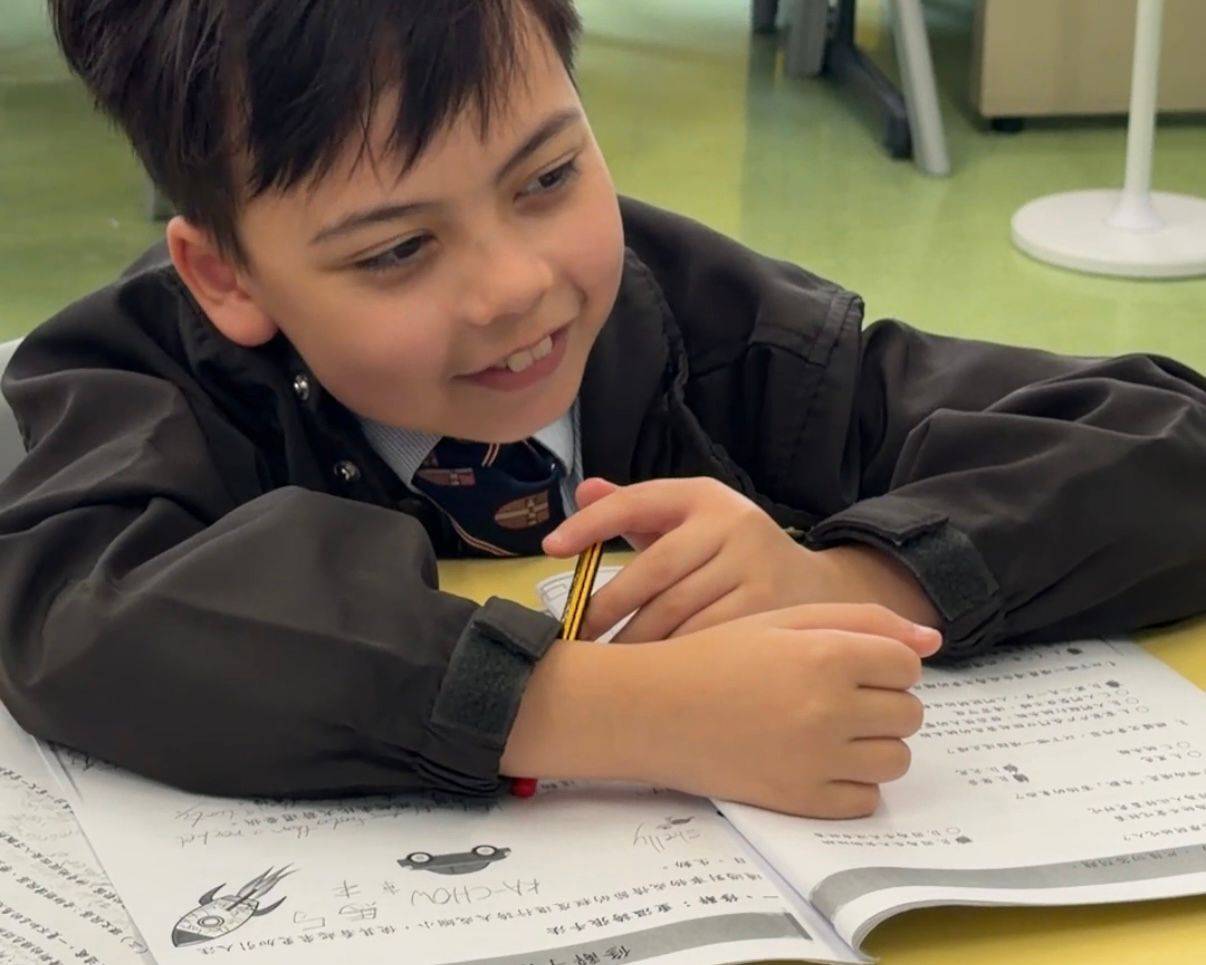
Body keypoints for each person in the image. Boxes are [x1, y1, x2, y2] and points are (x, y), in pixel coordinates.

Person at [1, 0, 1203, 820]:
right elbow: (66, 599)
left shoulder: (726, 332)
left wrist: (848, 577)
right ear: (226, 276)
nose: (514, 286)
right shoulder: (137, 377)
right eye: (398, 249)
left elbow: (1166, 435)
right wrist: (601, 709)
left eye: (548, 176)